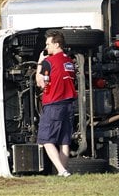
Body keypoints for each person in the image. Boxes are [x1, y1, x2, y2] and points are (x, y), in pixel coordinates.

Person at [36, 30, 77, 177]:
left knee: (46, 139)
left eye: (48, 44)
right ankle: (63, 172)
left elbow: (40, 82)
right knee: (64, 141)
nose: (46, 47)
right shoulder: (69, 61)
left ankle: (62, 171)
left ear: (57, 44)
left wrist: (40, 63)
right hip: (69, 105)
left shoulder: (49, 62)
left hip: (54, 104)